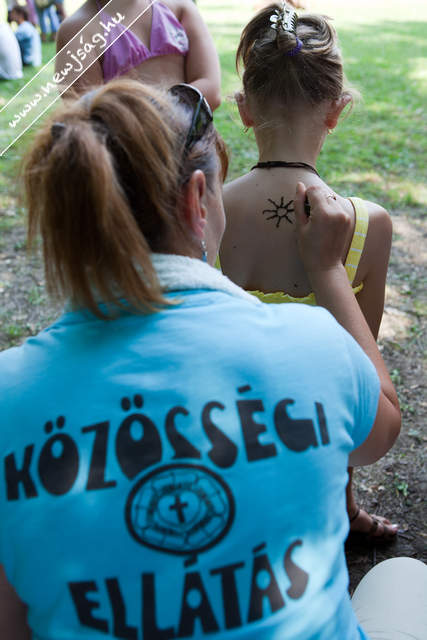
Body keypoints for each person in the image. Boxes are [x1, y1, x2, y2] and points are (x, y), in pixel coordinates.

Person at [0, 78, 403, 639]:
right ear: (196, 200)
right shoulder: (313, 345)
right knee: (404, 579)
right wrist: (328, 270)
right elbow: (380, 433)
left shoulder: (9, 396)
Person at [219, 2, 397, 542]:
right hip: (318, 440)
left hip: (222, 452)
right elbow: (355, 376)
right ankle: (340, 507)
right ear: (337, 110)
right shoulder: (369, 226)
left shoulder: (204, 215)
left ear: (244, 109)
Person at [55, 0, 221, 109]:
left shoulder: (180, 7)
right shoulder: (77, 30)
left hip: (194, 145)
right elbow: (90, 119)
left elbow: (211, 91)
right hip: (130, 149)